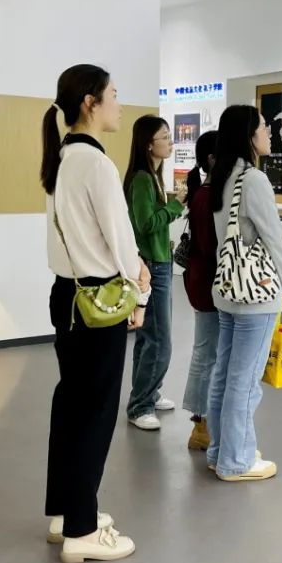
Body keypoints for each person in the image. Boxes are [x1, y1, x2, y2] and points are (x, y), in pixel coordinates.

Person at [42, 64, 149, 563]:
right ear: (90, 102)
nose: (119, 105)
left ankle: (67, 512)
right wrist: (140, 293)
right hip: (98, 302)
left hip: (67, 296)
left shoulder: (63, 157)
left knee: (72, 407)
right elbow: (121, 241)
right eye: (114, 94)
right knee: (95, 413)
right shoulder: (96, 164)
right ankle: (82, 529)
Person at [208, 105, 282, 481]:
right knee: (244, 381)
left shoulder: (221, 176)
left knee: (225, 375)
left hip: (229, 289)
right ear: (248, 135)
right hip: (255, 294)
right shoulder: (254, 179)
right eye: (263, 127)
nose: (269, 133)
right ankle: (236, 460)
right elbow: (274, 236)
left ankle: (220, 450)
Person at [123, 116, 184, 431]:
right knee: (160, 340)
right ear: (149, 144)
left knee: (149, 337)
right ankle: (140, 405)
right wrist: (176, 206)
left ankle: (149, 392)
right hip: (153, 266)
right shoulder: (143, 179)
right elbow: (145, 223)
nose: (171, 142)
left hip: (160, 262)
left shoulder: (154, 177)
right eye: (165, 137)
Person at [180, 130, 220, 450]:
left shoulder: (203, 193)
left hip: (203, 282)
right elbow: (210, 248)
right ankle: (201, 424)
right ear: (212, 159)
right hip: (208, 285)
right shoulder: (207, 196)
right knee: (206, 353)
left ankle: (205, 421)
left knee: (207, 351)